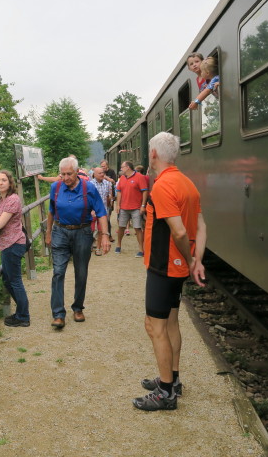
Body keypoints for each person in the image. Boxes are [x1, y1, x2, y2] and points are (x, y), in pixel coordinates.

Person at [132, 132, 207, 411]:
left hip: (163, 267)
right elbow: (200, 226)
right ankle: (173, 381)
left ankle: (165, 393)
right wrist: (197, 260)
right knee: (172, 322)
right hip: (175, 269)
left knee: (155, 326)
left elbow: (178, 231)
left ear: (153, 154)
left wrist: (189, 259)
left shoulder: (163, 186)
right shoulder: (188, 184)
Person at [46, 157, 110, 329]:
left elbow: (101, 212)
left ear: (77, 172)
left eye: (69, 174)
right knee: (58, 271)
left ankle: (78, 307)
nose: (66, 177)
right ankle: (58, 314)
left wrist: (104, 235)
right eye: (63, 174)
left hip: (82, 232)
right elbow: (51, 211)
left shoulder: (89, 188)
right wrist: (48, 233)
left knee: (81, 272)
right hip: (60, 231)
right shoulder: (56, 187)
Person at [0, 170, 30, 327]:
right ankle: (21, 313)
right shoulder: (3, 199)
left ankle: (23, 316)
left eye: (3, 180)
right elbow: (2, 220)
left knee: (14, 281)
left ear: (10, 182)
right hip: (7, 244)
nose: (0, 182)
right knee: (8, 280)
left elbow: (1, 224)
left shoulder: (12, 200)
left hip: (13, 243)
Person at [114, 161, 148, 257]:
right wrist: (118, 205)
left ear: (128, 167)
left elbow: (144, 191)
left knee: (137, 228)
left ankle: (141, 249)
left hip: (136, 208)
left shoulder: (139, 177)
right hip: (124, 207)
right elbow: (119, 191)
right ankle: (118, 245)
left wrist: (143, 205)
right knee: (121, 227)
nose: (121, 169)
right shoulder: (122, 178)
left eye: (122, 167)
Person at [91, 167, 113, 256]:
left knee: (101, 230)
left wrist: (108, 207)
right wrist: (91, 210)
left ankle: (98, 248)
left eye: (103, 172)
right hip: (92, 211)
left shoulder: (107, 184)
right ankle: (90, 245)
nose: (102, 174)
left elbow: (108, 196)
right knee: (90, 230)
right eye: (99, 173)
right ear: (94, 174)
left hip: (102, 211)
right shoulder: (90, 184)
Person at [99, 160, 117, 241]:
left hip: (110, 198)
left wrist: (105, 177)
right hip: (101, 198)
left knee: (108, 217)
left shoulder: (111, 172)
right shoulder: (99, 173)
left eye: (104, 166)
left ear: (107, 166)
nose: (103, 168)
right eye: (101, 166)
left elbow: (114, 181)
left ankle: (109, 235)